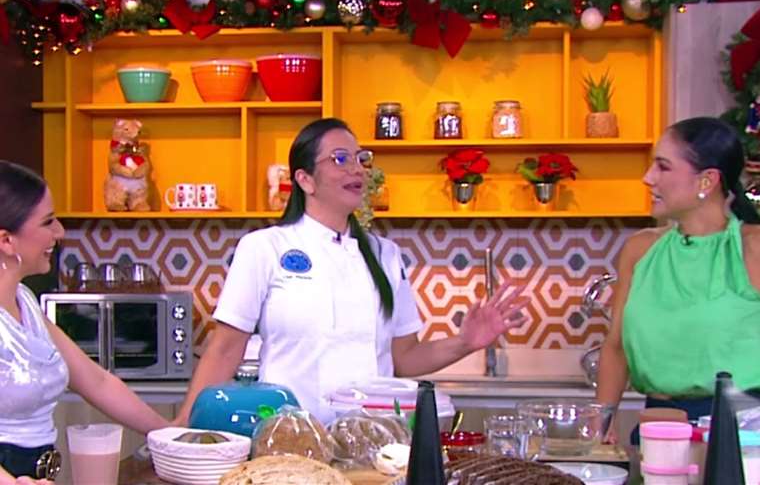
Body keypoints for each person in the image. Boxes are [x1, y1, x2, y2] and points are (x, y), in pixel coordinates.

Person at [176, 117, 529, 425]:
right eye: (340, 159)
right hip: (290, 437)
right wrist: (184, 423)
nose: (357, 169)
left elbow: (404, 359)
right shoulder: (264, 247)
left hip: (376, 442)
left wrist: (465, 342)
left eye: (361, 159)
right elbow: (225, 350)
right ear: (305, 180)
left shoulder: (385, 254)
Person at [0, 161, 169, 484]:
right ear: (7, 240)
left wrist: (170, 436)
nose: (59, 232)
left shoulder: (25, 302)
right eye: (48, 222)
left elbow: (97, 382)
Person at [595, 117, 760, 444]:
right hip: (656, 429)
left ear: (707, 181)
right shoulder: (640, 250)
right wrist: (601, 422)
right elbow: (616, 347)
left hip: (743, 436)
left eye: (663, 167)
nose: (647, 178)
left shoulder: (752, 248)